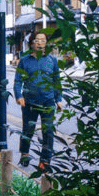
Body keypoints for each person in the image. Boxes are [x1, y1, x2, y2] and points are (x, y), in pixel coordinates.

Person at [13, 31, 63, 170]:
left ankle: (45, 160)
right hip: (29, 102)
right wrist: (19, 96)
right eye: (37, 40)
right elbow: (18, 81)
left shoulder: (52, 60)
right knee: (28, 129)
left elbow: (56, 80)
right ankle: (24, 153)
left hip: (48, 101)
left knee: (48, 131)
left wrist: (58, 99)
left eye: (43, 41)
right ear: (31, 43)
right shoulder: (24, 60)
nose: (40, 43)